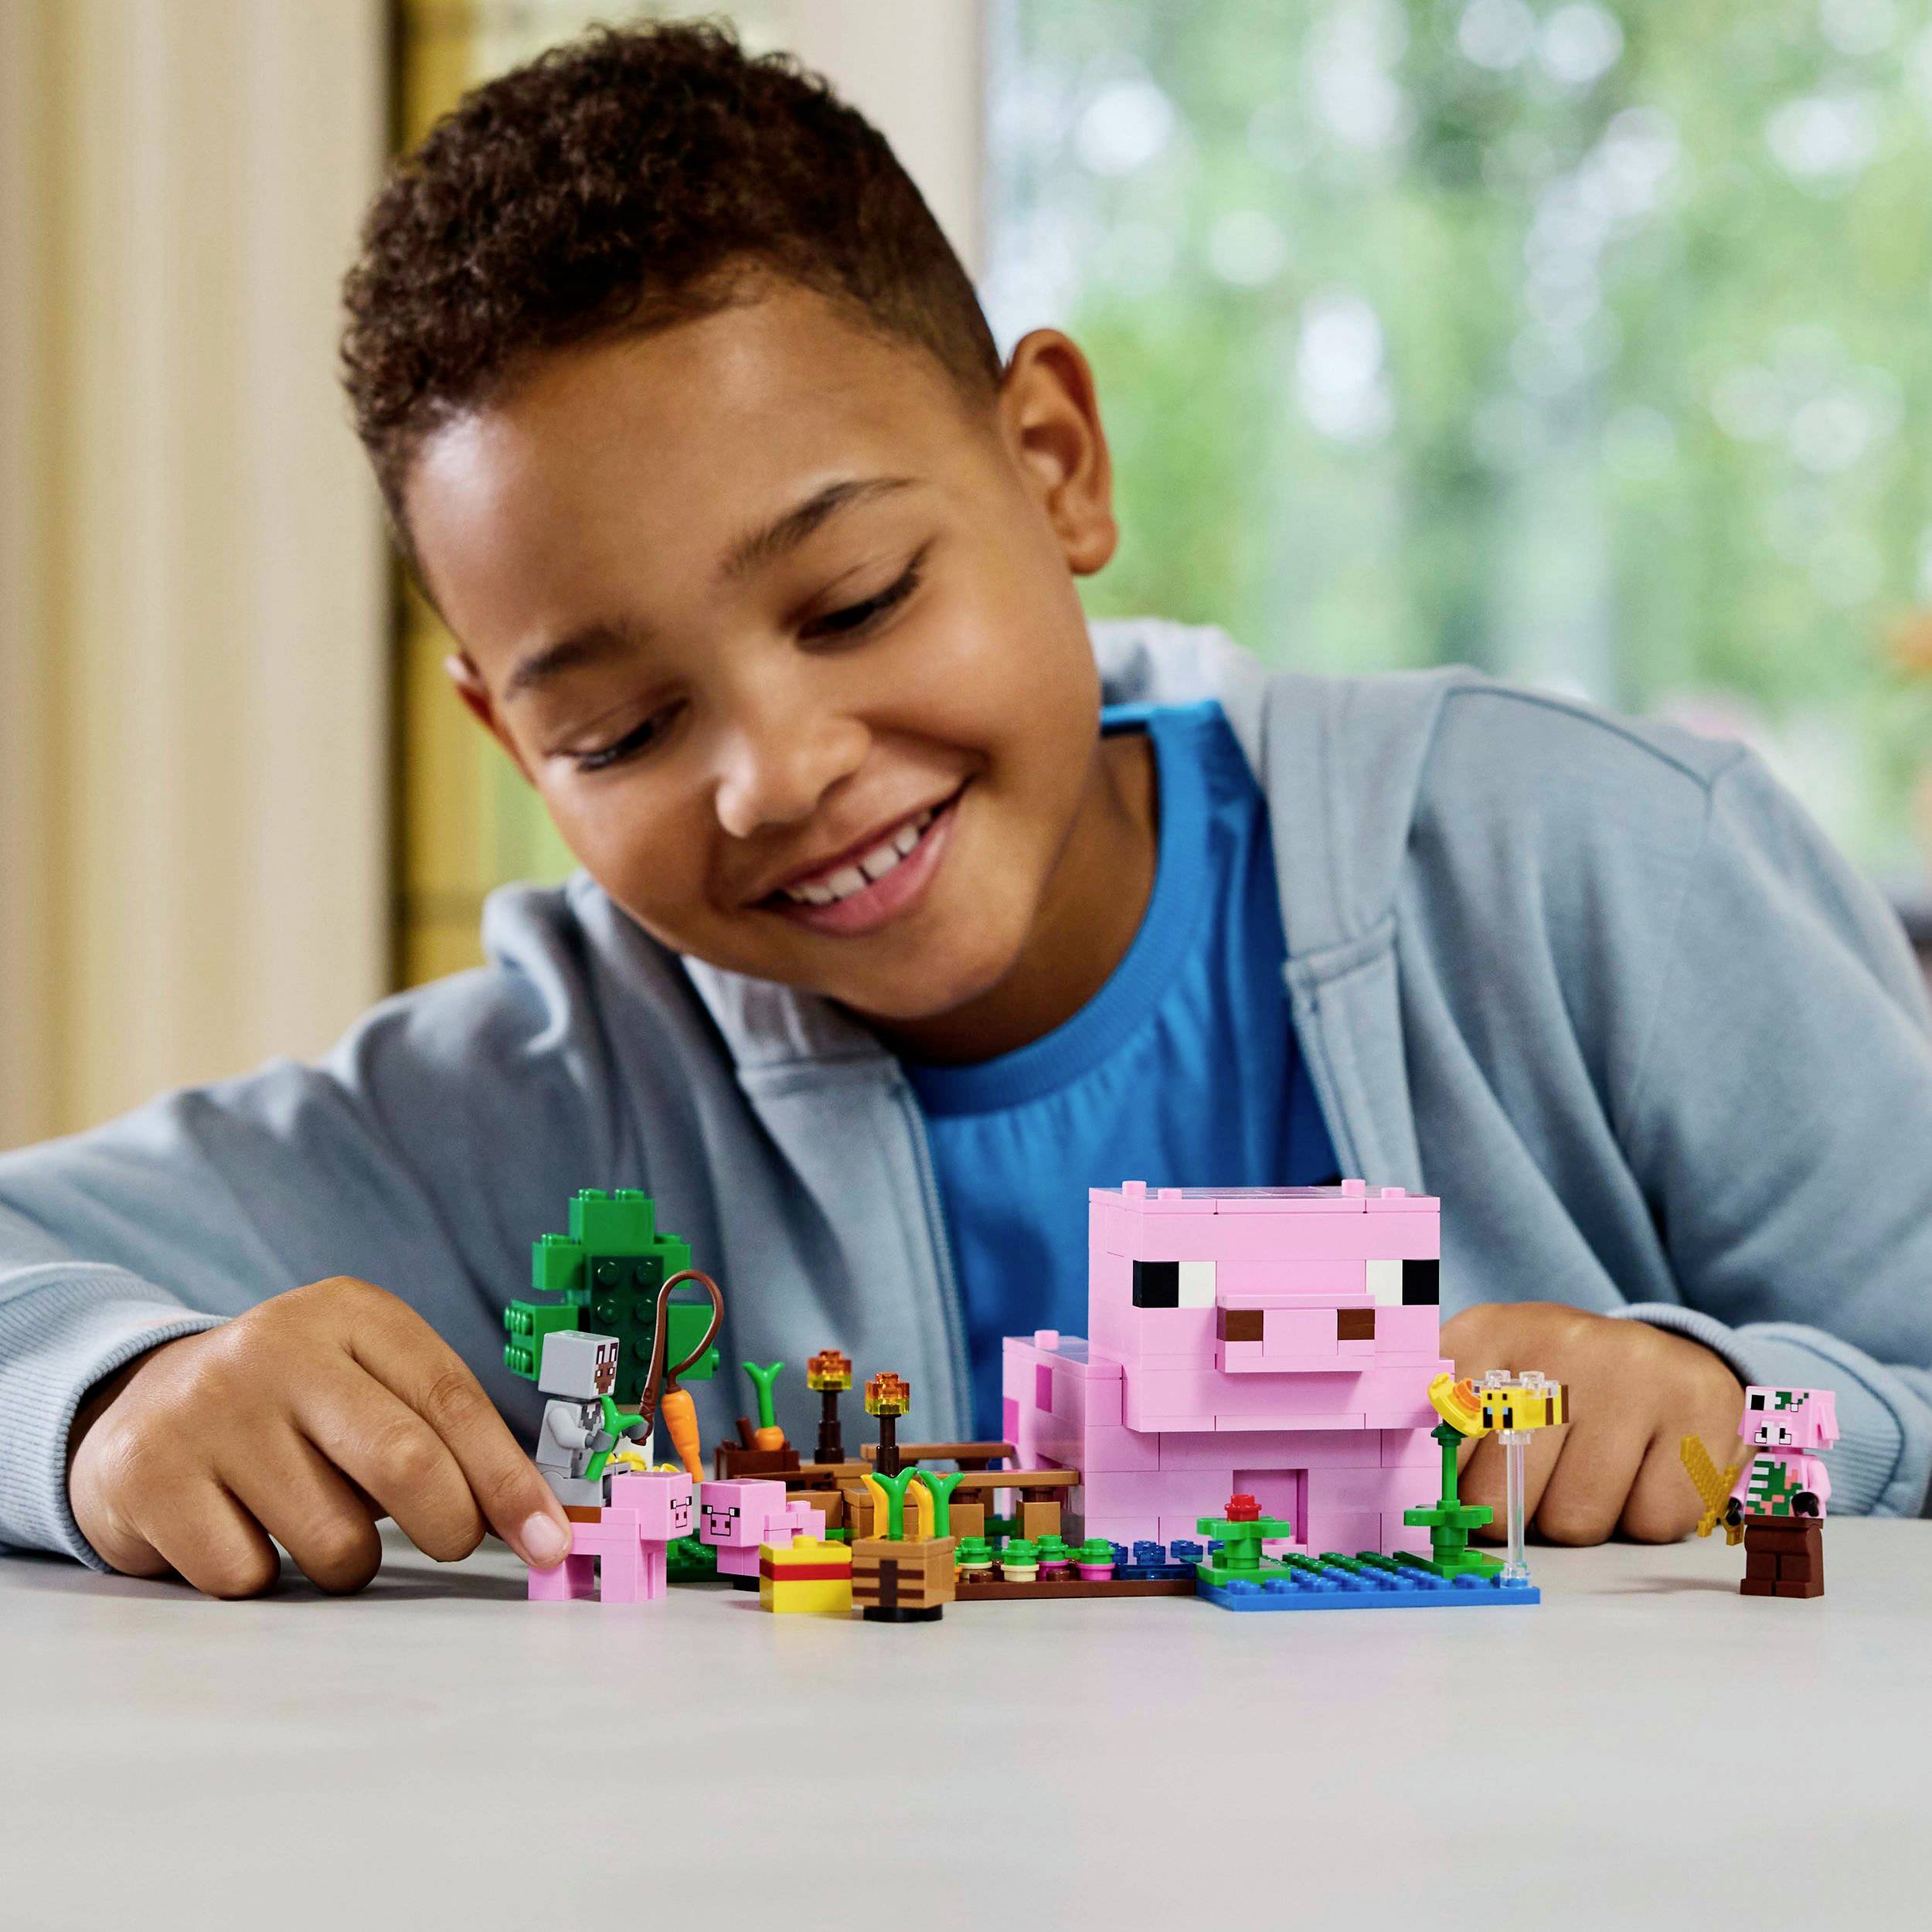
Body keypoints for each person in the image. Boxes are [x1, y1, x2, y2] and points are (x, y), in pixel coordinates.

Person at [2, 22, 1927, 1600]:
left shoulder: (1598, 864)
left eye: (854, 603)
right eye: (620, 727)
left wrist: (1732, 1404)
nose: (777, 770)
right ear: (511, 741)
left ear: (1053, 462)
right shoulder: (542, 1092)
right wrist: (109, 1394)